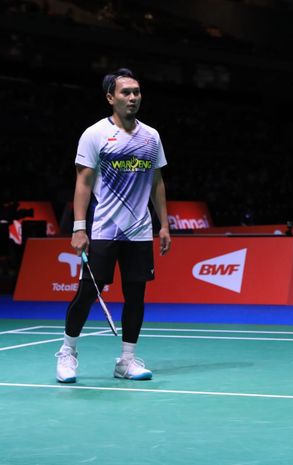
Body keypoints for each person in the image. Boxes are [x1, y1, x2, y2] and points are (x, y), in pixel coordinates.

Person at [55, 68, 171, 383]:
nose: (132, 97)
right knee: (87, 292)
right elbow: (83, 182)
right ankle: (67, 352)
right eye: (125, 92)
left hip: (139, 231)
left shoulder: (151, 136)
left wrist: (163, 225)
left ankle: (127, 361)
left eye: (136, 92)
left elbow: (157, 181)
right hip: (104, 229)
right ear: (110, 98)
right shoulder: (95, 134)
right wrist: (80, 228)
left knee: (136, 296)